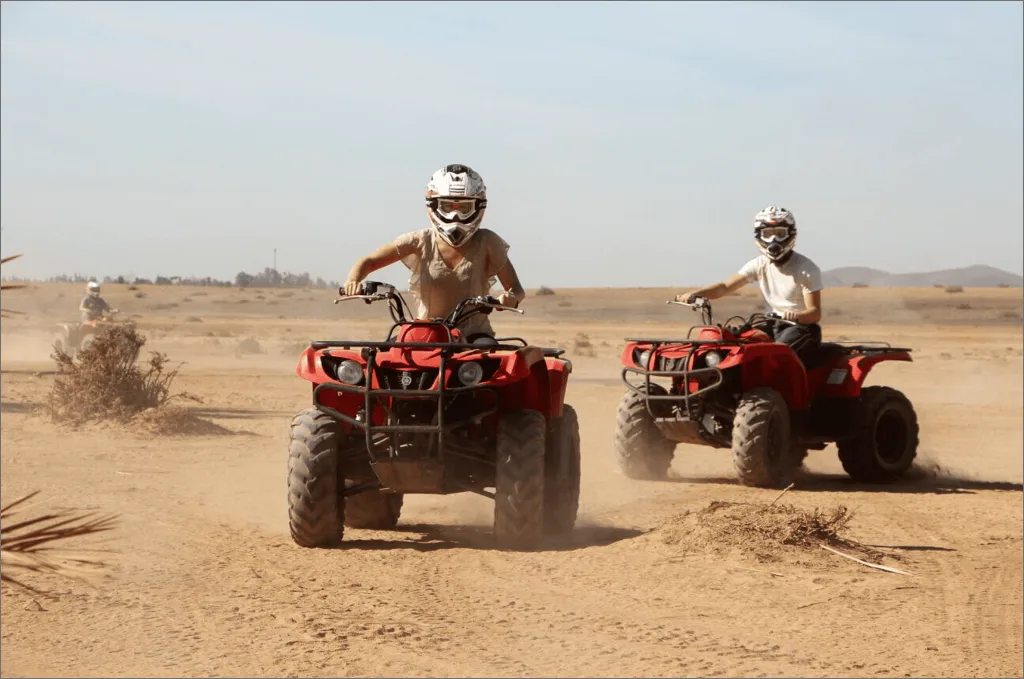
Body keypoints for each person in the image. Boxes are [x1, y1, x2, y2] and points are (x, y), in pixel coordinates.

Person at [342, 164, 526, 344]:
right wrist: (353, 281)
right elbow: (370, 261)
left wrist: (510, 299)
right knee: (384, 359)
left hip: (473, 335)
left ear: (478, 206)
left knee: (488, 363)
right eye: (447, 206)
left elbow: (516, 288)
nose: (455, 215)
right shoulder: (420, 240)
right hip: (426, 333)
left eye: (463, 207)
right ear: (434, 204)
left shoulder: (487, 241)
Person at [676, 205, 824, 364]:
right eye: (768, 234)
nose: (774, 240)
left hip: (801, 329)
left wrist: (796, 316)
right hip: (770, 325)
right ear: (760, 235)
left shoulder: (806, 269)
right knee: (734, 346)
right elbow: (725, 287)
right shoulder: (760, 264)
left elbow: (814, 313)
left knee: (774, 357)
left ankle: (770, 388)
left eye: (780, 233)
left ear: (790, 234)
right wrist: (696, 294)